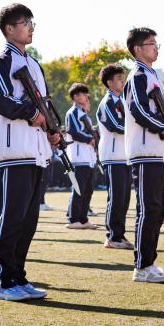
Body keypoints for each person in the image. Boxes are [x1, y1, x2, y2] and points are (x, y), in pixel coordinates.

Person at [0, 3, 55, 301]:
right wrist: (31, 114)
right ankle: (4, 281)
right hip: (14, 150)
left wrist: (52, 129)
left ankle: (19, 276)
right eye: (25, 23)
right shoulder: (3, 61)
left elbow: (44, 103)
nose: (30, 28)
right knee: (12, 218)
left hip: (35, 150)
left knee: (28, 221)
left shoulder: (34, 64)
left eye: (31, 23)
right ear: (9, 29)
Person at [122, 26, 164, 283]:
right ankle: (142, 266)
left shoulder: (152, 76)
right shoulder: (138, 76)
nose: (156, 48)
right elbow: (138, 110)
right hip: (146, 152)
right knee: (149, 209)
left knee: (158, 209)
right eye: (150, 43)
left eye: (156, 43)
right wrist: (163, 129)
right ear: (137, 49)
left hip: (160, 152)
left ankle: (149, 262)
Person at [97, 63, 132, 249]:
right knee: (116, 197)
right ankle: (112, 236)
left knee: (124, 198)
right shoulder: (108, 102)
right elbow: (115, 126)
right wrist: (137, 130)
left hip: (124, 156)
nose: (123, 81)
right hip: (112, 156)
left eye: (123, 78)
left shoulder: (123, 101)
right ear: (109, 83)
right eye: (119, 79)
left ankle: (120, 234)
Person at [65, 83, 97, 229]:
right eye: (83, 94)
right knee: (78, 189)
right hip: (78, 158)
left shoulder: (83, 114)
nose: (86, 97)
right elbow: (73, 132)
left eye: (85, 94)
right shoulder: (73, 112)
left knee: (87, 190)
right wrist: (89, 139)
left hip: (87, 158)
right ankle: (73, 219)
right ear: (76, 97)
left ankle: (83, 219)